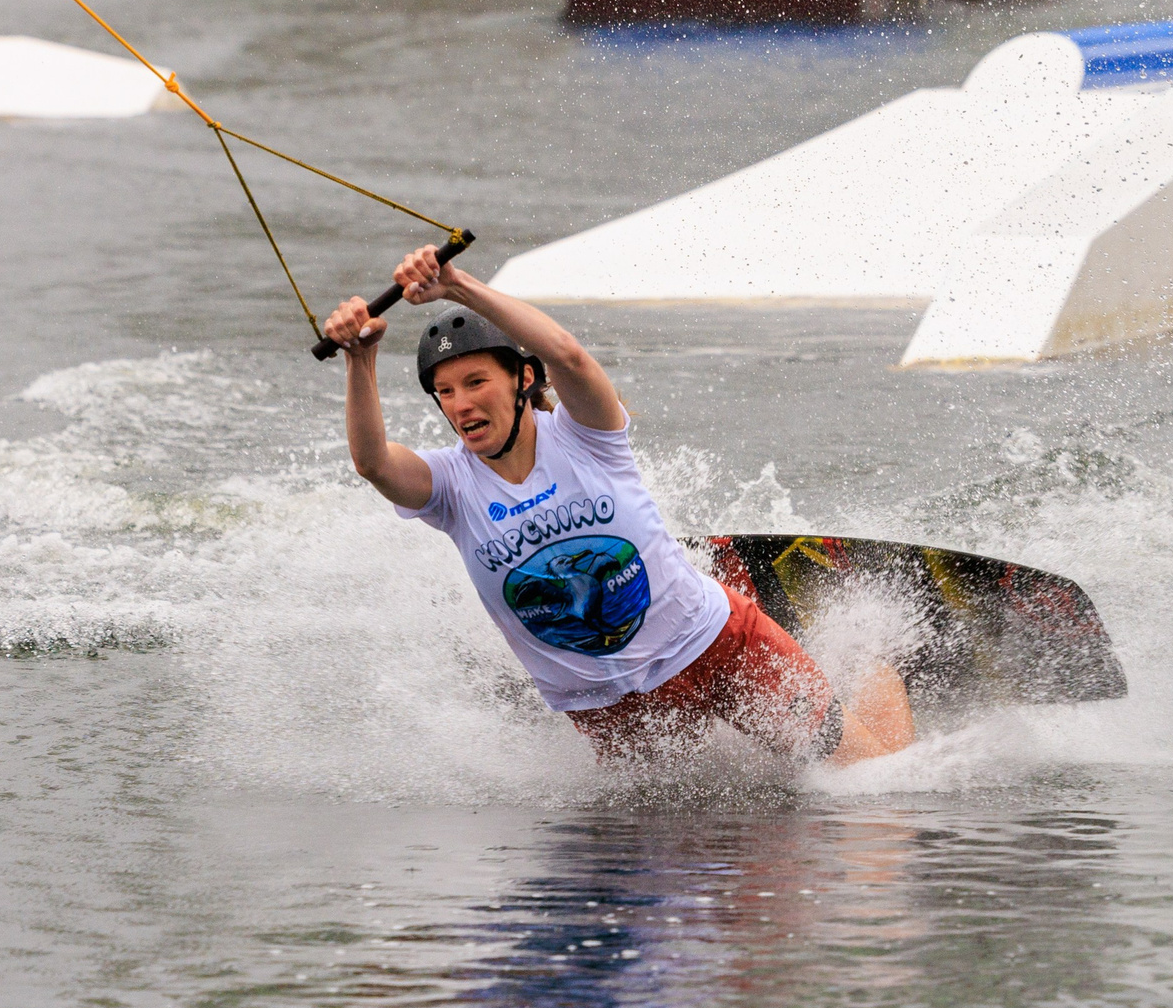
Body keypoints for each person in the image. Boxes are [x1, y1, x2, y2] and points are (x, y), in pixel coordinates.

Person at [322, 244, 914, 767]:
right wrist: (360, 358)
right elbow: (373, 463)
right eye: (445, 392)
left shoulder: (585, 434)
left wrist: (457, 285)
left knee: (861, 778)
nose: (460, 404)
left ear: (523, 379)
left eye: (476, 382)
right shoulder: (450, 486)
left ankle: (874, 664)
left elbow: (569, 356)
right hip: (607, 710)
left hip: (715, 646)